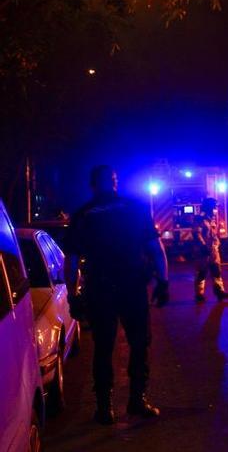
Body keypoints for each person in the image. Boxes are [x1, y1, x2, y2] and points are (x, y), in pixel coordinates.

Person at [64, 165, 170, 425]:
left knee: (103, 347)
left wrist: (73, 295)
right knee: (138, 344)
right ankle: (136, 400)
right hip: (131, 285)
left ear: (92, 185)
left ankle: (105, 407)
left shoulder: (83, 215)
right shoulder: (133, 207)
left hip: (101, 288)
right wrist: (163, 280)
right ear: (114, 182)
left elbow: (72, 261)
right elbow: (155, 247)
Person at [193, 197, 228, 302]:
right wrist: (203, 246)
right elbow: (197, 234)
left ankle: (220, 292)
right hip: (203, 251)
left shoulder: (212, 220)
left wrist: (218, 245)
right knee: (202, 272)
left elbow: (214, 235)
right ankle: (199, 294)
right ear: (209, 207)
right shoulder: (200, 219)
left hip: (213, 250)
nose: (216, 209)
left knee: (216, 271)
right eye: (214, 207)